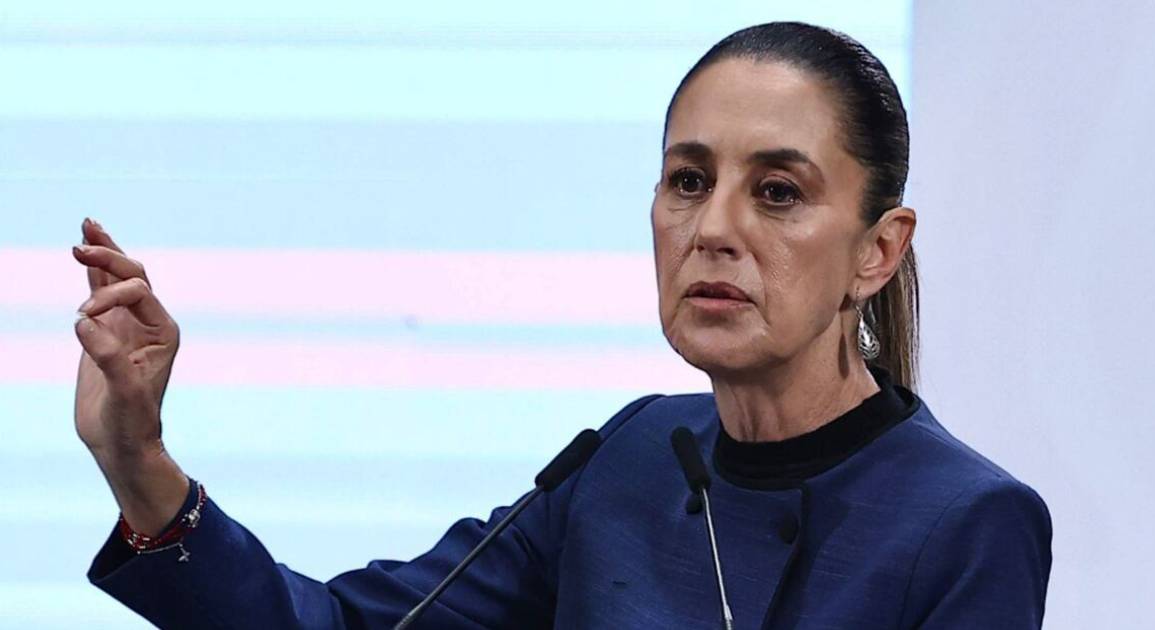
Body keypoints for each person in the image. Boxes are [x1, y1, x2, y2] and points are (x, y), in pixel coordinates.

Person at [72, 22, 1052, 629]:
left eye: (778, 192)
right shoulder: (631, 458)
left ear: (877, 250)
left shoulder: (968, 523)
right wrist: (137, 458)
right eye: (689, 180)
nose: (714, 229)